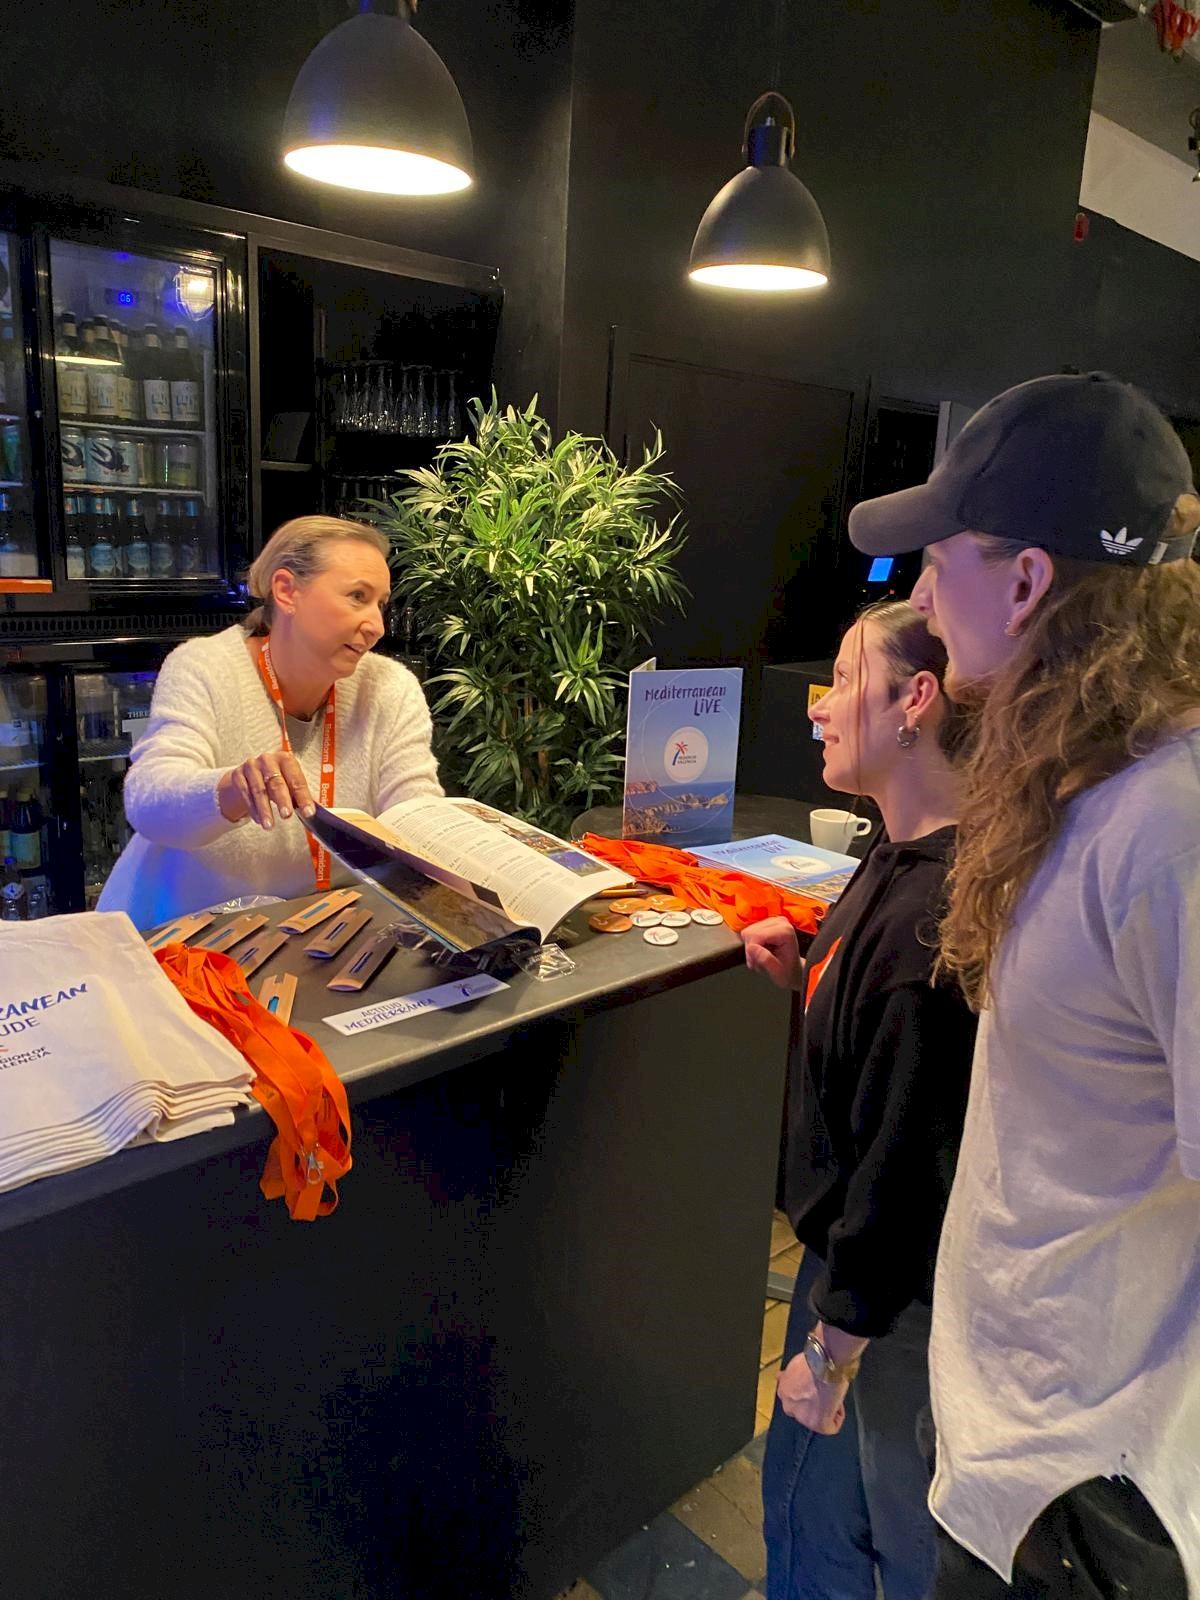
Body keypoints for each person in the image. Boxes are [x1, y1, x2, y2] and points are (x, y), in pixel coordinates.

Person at [848, 370, 1200, 1599]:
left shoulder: (1170, 829)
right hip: (1009, 1438)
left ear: (1027, 581)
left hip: (1089, 1490)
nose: (919, 595)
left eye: (937, 560)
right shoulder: (1078, 776)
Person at [743, 600, 977, 1600]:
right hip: (867, 1283)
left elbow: (905, 1150)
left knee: (851, 1537)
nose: (817, 706)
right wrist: (813, 970)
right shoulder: (902, 851)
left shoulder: (932, 916)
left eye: (843, 679)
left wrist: (832, 1350)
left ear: (915, 700)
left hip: (879, 1303)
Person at [100, 515, 441, 929]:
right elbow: (149, 801)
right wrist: (233, 787)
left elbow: (414, 808)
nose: (377, 627)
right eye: (357, 596)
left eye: (380, 604)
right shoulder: (204, 667)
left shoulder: (390, 687)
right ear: (286, 591)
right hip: (180, 934)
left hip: (316, 935)